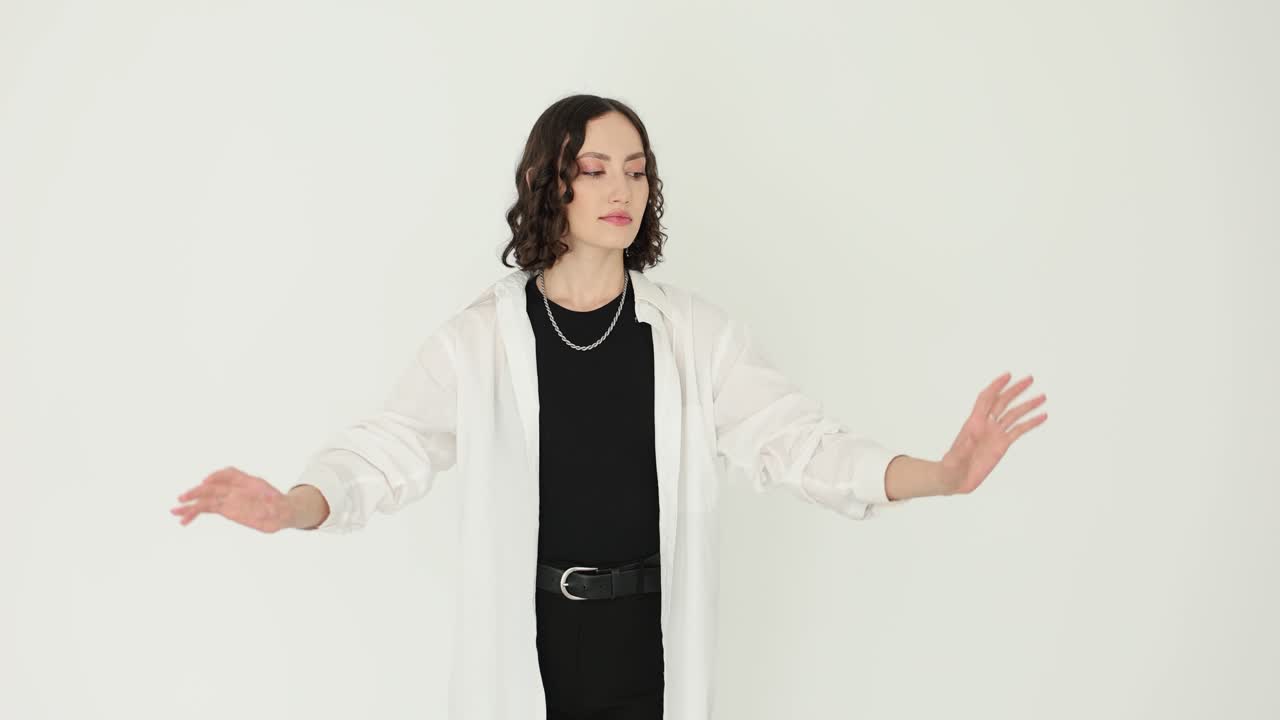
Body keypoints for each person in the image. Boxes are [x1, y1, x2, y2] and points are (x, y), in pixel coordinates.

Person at [171, 94, 1048, 720]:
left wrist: (940, 474)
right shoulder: (480, 340)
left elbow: (798, 443)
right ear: (551, 182)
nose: (619, 188)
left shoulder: (694, 336)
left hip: (650, 656)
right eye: (595, 170)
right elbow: (385, 452)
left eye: (636, 169)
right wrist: (291, 505)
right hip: (536, 652)